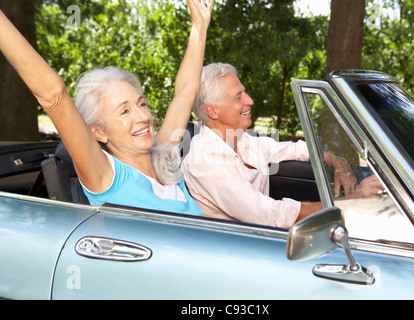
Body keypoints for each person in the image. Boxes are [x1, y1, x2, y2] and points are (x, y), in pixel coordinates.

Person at [0, 0, 214, 216]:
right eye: (125, 111)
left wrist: (199, 26)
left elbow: (186, 91)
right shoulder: (106, 175)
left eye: (141, 104)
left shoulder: (163, 155)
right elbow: (54, 95)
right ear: (98, 132)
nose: (142, 116)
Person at [181, 62, 382, 228]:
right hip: (234, 249)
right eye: (238, 97)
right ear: (212, 111)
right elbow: (268, 214)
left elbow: (296, 149)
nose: (250, 100)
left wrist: (337, 161)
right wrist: (352, 200)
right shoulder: (204, 162)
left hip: (260, 237)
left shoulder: (242, 141)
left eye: (245, 93)